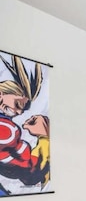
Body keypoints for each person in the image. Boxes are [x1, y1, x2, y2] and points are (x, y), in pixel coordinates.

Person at [0, 54, 50, 193]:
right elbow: (28, 170)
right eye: (17, 104)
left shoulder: (7, 127)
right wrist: (44, 138)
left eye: (22, 110)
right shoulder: (7, 129)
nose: (18, 112)